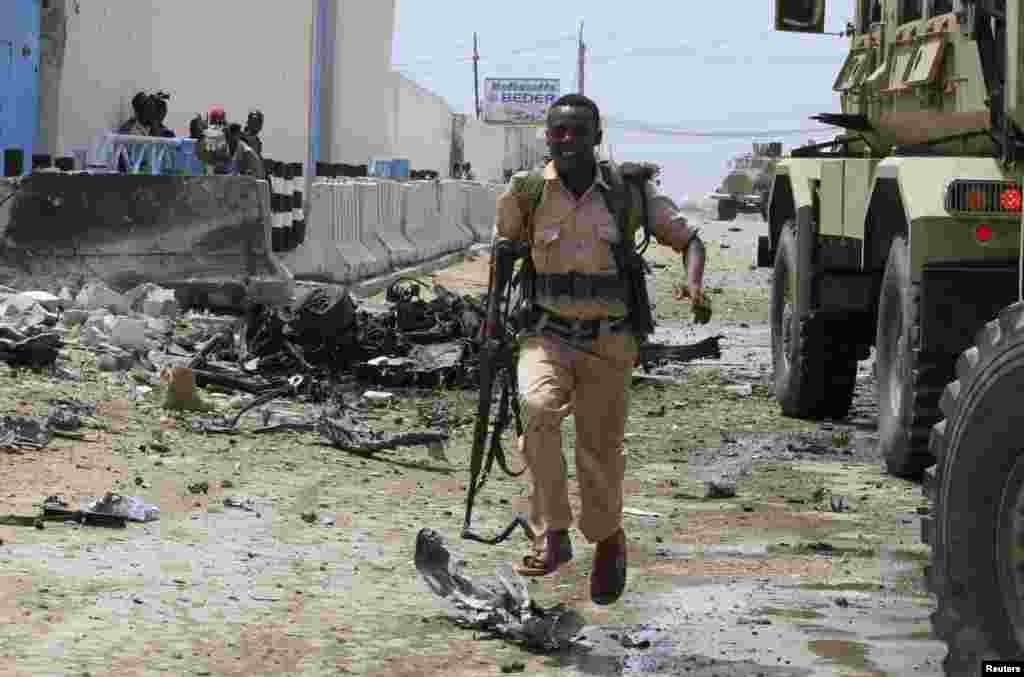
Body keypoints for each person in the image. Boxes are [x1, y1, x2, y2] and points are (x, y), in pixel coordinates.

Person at [489, 94, 708, 606]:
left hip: (610, 341)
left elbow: (690, 240)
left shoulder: (628, 191)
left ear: (596, 138)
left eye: (577, 131)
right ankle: (554, 533)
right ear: (547, 137)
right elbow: (502, 254)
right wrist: (492, 320)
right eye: (558, 131)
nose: (566, 140)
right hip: (546, 334)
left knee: (599, 454)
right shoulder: (525, 191)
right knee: (537, 413)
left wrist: (694, 286)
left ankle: (609, 540)